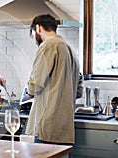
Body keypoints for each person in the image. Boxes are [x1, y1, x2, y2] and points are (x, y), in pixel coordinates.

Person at [25, 14, 83, 145]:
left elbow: (35, 84)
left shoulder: (48, 46)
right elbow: (79, 91)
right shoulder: (70, 51)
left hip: (47, 126)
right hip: (64, 129)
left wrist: (29, 91)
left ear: (38, 28)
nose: (35, 37)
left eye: (33, 33)